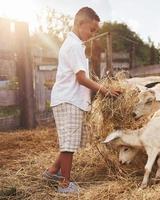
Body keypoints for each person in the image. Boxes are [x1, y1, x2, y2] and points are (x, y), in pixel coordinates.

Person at [42, 7, 121, 193]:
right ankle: (65, 184)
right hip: (68, 99)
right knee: (69, 145)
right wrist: (105, 90)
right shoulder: (74, 46)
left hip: (72, 99)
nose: (93, 34)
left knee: (71, 141)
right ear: (80, 24)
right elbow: (81, 78)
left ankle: (53, 171)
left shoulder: (75, 45)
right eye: (91, 29)